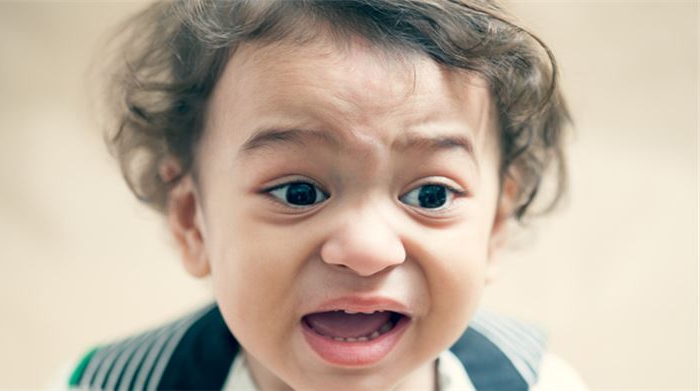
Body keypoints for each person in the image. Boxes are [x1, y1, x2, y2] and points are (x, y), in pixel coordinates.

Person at [62, 0, 587, 389]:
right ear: (192, 221)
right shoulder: (111, 384)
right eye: (298, 192)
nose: (366, 250)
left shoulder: (536, 382)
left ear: (495, 224)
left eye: (430, 196)